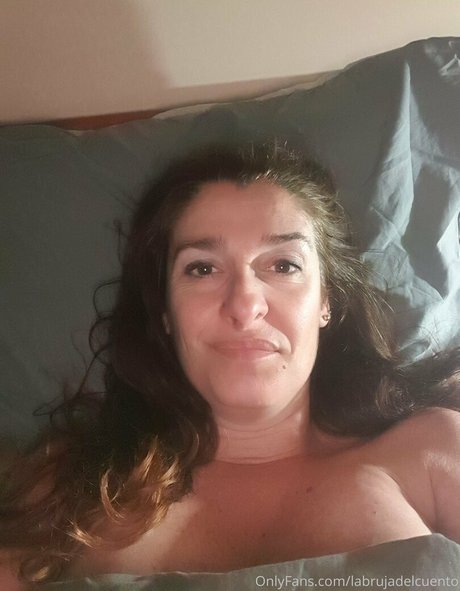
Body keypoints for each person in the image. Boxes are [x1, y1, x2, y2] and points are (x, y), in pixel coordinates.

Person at [1, 142, 460, 587]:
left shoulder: (432, 449)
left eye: (283, 265)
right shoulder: (69, 485)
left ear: (327, 301)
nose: (244, 304)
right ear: (164, 312)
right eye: (202, 268)